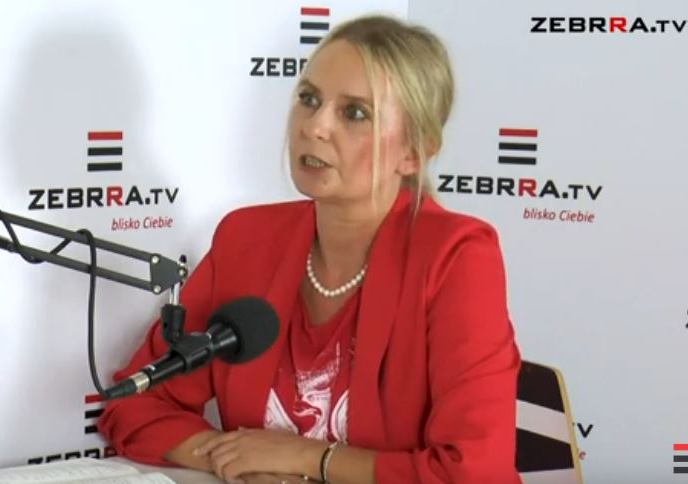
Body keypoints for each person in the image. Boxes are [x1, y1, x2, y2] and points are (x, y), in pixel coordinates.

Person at [99, 14, 521, 484]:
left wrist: (307, 459)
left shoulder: (456, 256)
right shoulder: (247, 239)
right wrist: (239, 461)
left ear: (413, 151)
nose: (315, 126)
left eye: (354, 113)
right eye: (309, 99)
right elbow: (136, 401)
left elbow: (473, 473)